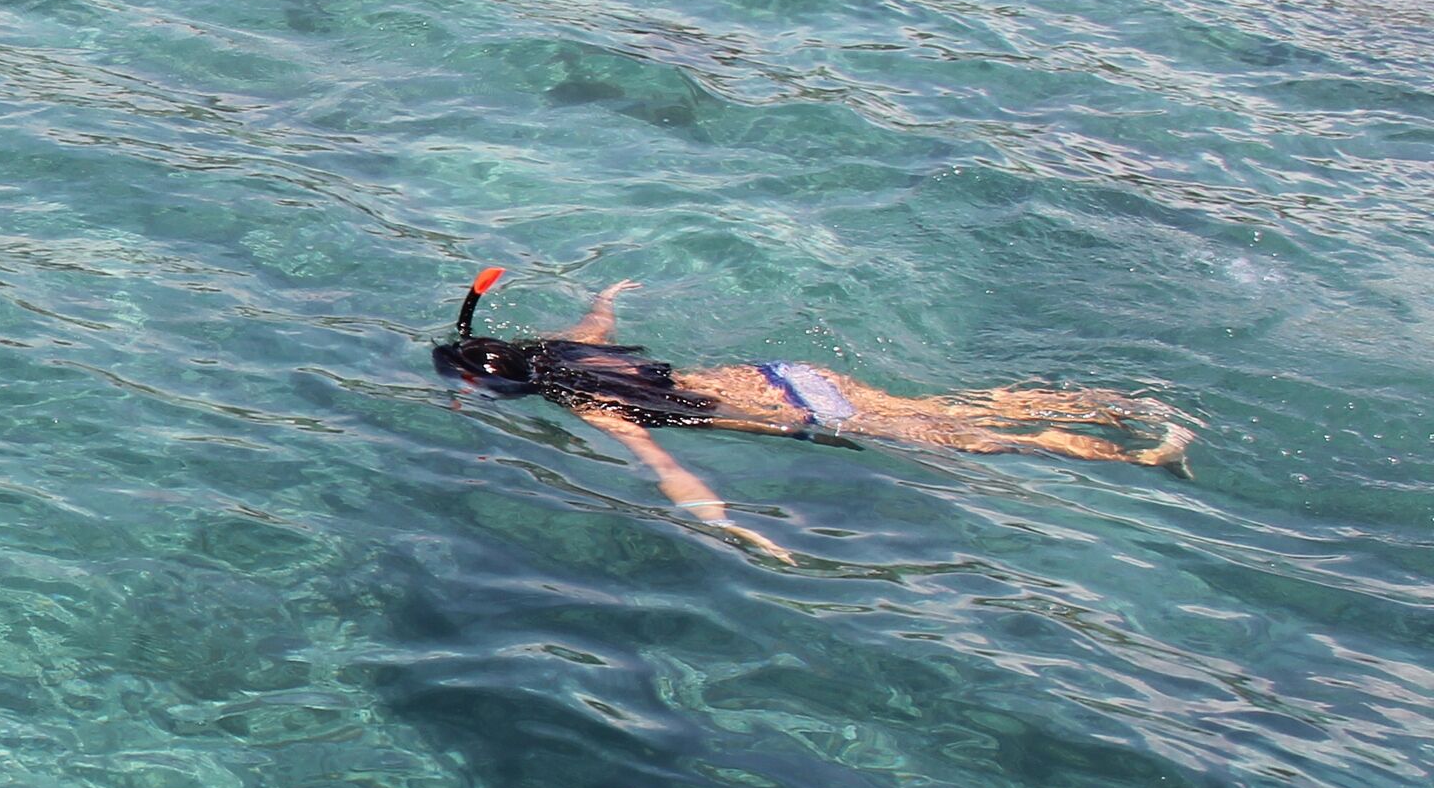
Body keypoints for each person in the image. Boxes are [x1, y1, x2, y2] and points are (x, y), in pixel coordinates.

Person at [433, 267, 1192, 562]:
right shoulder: (569, 354)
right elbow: (596, 318)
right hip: (785, 377)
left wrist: (730, 525)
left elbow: (669, 470)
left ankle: (1138, 456)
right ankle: (1108, 405)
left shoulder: (588, 404)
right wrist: (612, 296)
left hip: (787, 416)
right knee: (940, 408)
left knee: (966, 442)